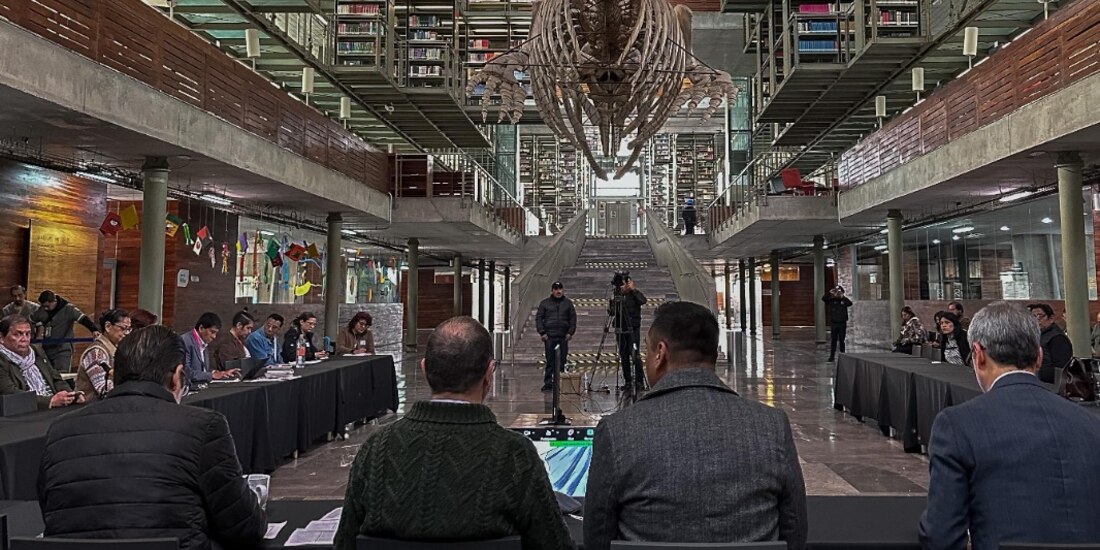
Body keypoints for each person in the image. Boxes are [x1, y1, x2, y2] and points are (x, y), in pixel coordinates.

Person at [334, 317, 573, 550]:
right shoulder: (515, 454)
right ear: (490, 373)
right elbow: (553, 542)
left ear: (425, 368)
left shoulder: (377, 448)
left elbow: (345, 541)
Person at [585, 302, 806, 550]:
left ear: (661, 352)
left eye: (647, 351)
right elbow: (794, 533)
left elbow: (597, 537)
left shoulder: (618, 431)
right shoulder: (772, 425)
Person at [37, 325, 267, 550]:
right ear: (177, 377)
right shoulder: (203, 426)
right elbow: (243, 527)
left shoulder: (60, 429)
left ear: (115, 375)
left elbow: (50, 512)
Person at [919, 302, 1100, 550]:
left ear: (978, 354)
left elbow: (942, 535)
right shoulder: (1091, 423)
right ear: (1038, 356)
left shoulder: (957, 425)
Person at [0, 315, 83, 410]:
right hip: (26, 413)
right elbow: (10, 393)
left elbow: (55, 378)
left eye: (27, 334)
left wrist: (70, 395)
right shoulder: (2, 360)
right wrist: (50, 401)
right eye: (17, 334)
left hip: (53, 407)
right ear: (2, 337)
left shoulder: (36, 350)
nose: (24, 339)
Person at [31, 290, 99, 373]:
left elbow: (83, 319)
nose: (45, 309)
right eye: (43, 306)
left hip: (62, 349)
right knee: (47, 375)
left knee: (62, 375)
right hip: (47, 349)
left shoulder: (69, 309)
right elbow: (31, 320)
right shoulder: (41, 310)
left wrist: (94, 330)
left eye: (48, 306)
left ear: (54, 301)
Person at [76, 309, 130, 402]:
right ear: (108, 326)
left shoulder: (116, 349)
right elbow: (102, 389)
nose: (127, 333)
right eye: (123, 328)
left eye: (129, 329)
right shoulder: (96, 352)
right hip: (90, 408)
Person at [610, 273, 647, 392]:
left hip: (633, 329)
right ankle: (628, 381)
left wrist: (633, 290)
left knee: (635, 355)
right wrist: (614, 302)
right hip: (620, 329)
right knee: (624, 356)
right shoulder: (616, 295)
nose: (621, 287)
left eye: (623, 284)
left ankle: (639, 381)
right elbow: (611, 312)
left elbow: (643, 300)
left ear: (628, 284)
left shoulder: (635, 294)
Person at [536, 281, 576, 391]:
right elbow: (539, 318)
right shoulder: (545, 303)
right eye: (556, 289)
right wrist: (542, 332)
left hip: (563, 337)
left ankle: (560, 382)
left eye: (560, 289)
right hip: (550, 337)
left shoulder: (568, 304)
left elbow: (573, 319)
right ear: (552, 291)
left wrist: (570, 332)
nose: (558, 291)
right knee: (550, 361)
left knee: (562, 360)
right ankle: (548, 382)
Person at [180, 312, 238, 386]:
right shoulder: (185, 341)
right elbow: (185, 372)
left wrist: (218, 373)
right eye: (212, 332)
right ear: (201, 328)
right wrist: (211, 375)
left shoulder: (203, 342)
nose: (214, 337)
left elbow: (203, 369)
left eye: (216, 333)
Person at [1027, 303, 1072, 383]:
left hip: (1051, 385)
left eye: (1040, 316)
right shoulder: (1037, 335)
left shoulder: (1057, 338)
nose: (1036, 320)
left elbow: (1061, 368)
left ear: (1051, 318)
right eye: (1033, 317)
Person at [822, 285, 852, 361]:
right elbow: (824, 299)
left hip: (842, 323)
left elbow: (849, 303)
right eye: (836, 292)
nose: (837, 294)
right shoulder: (832, 300)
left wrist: (842, 296)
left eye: (839, 292)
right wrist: (830, 293)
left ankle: (843, 356)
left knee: (842, 340)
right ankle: (832, 356)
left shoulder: (844, 300)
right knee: (833, 340)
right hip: (834, 323)